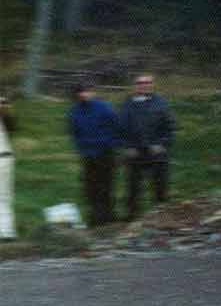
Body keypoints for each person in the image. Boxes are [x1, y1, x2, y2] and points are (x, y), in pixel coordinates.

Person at [119, 74, 175, 220]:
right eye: (140, 82)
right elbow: (121, 128)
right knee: (133, 188)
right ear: (135, 85)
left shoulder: (161, 103)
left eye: (147, 82)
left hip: (156, 153)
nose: (144, 85)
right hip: (135, 153)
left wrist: (162, 144)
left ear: (152, 84)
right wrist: (127, 147)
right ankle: (131, 218)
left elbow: (169, 127)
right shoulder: (127, 104)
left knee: (160, 187)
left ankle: (162, 216)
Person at [68, 83, 120, 226]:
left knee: (106, 186)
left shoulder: (104, 107)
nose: (83, 95)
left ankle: (109, 218)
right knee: (90, 188)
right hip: (88, 156)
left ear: (92, 92)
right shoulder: (74, 111)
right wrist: (81, 149)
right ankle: (95, 218)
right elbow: (74, 134)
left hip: (105, 154)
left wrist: (110, 146)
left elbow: (116, 128)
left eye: (86, 91)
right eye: (80, 92)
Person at [0, 95, 16, 240]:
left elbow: (11, 126)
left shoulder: (4, 118)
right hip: (5, 158)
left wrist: (6, 109)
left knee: (4, 197)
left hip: (4, 158)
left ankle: (7, 232)